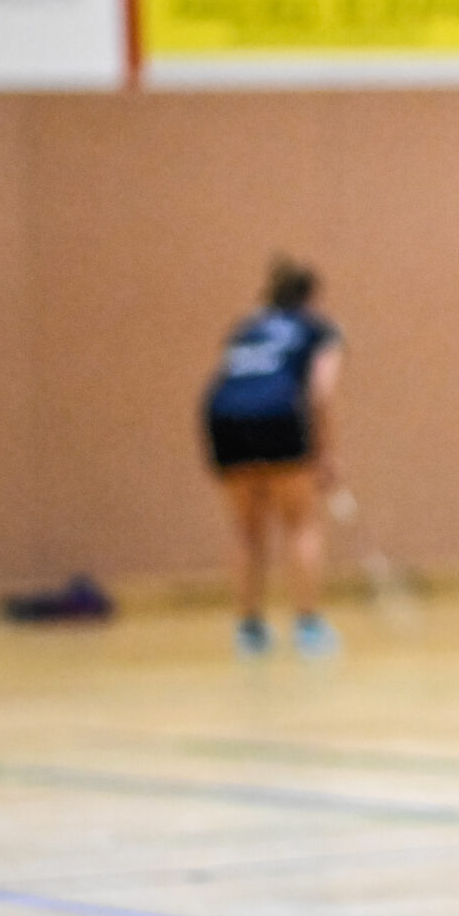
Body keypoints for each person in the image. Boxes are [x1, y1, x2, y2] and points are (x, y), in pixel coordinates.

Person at [201, 257, 345, 657]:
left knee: (246, 528)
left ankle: (248, 631)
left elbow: (233, 376)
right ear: (312, 298)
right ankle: (309, 629)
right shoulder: (320, 328)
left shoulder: (246, 327)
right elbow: (322, 392)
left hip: (223, 416)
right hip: (278, 415)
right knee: (301, 524)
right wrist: (325, 454)